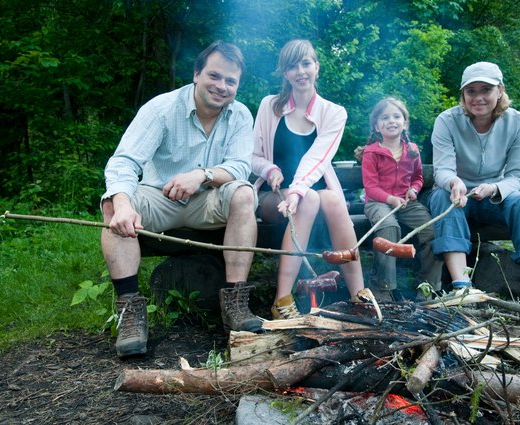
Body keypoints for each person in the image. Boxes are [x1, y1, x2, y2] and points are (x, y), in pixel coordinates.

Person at [101, 40, 260, 358]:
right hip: (159, 199)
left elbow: (241, 167)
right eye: (214, 76)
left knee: (244, 193)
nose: (221, 86)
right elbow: (124, 163)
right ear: (197, 74)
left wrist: (201, 175)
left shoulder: (240, 114)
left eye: (231, 81)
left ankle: (236, 305)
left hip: (208, 200)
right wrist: (121, 204)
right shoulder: (160, 109)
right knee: (113, 203)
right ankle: (130, 314)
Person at [252, 39, 367, 319]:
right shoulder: (270, 106)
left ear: (316, 66)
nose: (300, 71)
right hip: (274, 197)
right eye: (292, 66)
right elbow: (253, 156)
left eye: (306, 63)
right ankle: (282, 301)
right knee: (309, 198)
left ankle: (359, 295)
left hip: (308, 193)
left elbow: (317, 157)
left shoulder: (333, 113)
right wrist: (270, 169)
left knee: (331, 200)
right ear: (285, 73)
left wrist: (298, 189)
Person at [430, 61, 520, 310]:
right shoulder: (446, 120)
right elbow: (442, 170)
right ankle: (462, 288)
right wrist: (454, 182)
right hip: (456, 193)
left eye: (485, 90)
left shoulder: (518, 122)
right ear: (463, 95)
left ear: (500, 90)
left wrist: (493, 188)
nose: (478, 97)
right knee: (444, 198)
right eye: (471, 91)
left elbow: (517, 174)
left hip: (495, 195)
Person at [359, 97, 443, 301]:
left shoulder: (412, 150)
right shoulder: (371, 153)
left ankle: (428, 287)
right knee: (389, 227)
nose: (391, 121)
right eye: (385, 117)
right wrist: (390, 199)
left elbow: (418, 178)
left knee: (432, 229)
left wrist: (414, 190)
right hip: (378, 202)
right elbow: (370, 187)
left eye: (397, 116)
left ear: (405, 123)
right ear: (377, 125)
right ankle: (383, 288)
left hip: (406, 203)